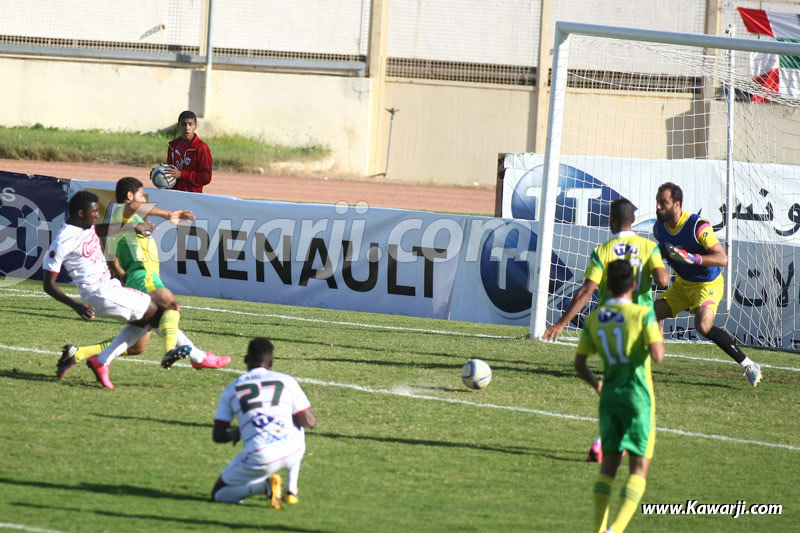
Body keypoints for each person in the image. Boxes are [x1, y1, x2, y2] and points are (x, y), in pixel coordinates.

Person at [56, 177, 231, 379]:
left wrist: (121, 271)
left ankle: (78, 354)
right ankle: (194, 356)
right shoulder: (123, 212)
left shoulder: (122, 220)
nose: (143, 201)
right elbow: (133, 208)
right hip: (144, 276)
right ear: (130, 196)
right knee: (170, 306)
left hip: (137, 277)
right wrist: (168, 214)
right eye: (141, 195)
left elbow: (111, 258)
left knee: (138, 345)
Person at [43, 190, 189, 390]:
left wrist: (132, 226)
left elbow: (100, 229)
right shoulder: (63, 240)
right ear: (80, 213)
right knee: (164, 308)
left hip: (110, 287)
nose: (97, 215)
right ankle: (178, 352)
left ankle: (90, 358)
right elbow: (48, 284)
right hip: (99, 294)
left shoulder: (85, 226)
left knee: (146, 322)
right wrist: (75, 305)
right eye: (94, 212)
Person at [574, 260, 665, 533]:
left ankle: (599, 530)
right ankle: (615, 530)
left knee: (608, 470)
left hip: (609, 396)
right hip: (638, 397)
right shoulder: (642, 314)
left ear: (606, 285)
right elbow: (658, 357)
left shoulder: (595, 317)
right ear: (635, 285)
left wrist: (597, 384)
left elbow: (579, 365)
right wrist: (656, 332)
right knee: (638, 470)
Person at [652, 182, 762, 386]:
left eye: (663, 203)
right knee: (649, 313)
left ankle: (748, 364)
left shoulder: (697, 226)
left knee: (703, 326)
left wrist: (693, 258)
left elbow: (722, 259)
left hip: (707, 285)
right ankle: (649, 359)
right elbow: (663, 252)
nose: (658, 207)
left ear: (677, 205)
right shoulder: (659, 228)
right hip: (682, 285)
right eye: (657, 202)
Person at [543, 198, 670, 342]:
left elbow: (586, 291)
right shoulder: (648, 247)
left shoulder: (603, 251)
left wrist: (561, 324)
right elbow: (663, 281)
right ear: (633, 219)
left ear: (611, 219)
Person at [210, 338, 316, 508]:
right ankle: (291, 490)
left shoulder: (232, 389)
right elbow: (309, 421)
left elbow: (218, 436)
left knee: (219, 494)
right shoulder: (287, 381)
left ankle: (265, 486)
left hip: (261, 457)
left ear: (245, 359)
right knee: (295, 423)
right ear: (271, 362)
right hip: (293, 451)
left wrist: (236, 433)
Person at [164, 110, 212, 193]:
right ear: (178, 126)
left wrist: (182, 174)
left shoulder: (201, 147)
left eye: (190, 124)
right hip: (173, 194)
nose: (187, 128)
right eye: (183, 124)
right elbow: (172, 171)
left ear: (195, 126)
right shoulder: (173, 146)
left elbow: (206, 177)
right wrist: (160, 171)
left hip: (192, 196)